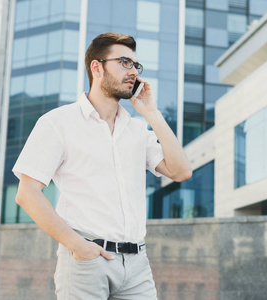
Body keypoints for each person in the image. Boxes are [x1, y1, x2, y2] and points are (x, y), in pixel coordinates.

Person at [13, 32, 192, 299]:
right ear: (96, 67)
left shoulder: (136, 128)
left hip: (136, 266)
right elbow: (27, 194)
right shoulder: (58, 122)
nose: (132, 71)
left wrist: (152, 113)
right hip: (86, 261)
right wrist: (79, 246)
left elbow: (181, 171)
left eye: (135, 65)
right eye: (124, 62)